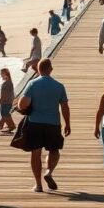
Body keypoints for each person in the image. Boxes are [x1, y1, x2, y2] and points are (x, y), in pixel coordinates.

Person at [17, 59, 71, 193]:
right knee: (54, 150)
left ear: (39, 70)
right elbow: (64, 106)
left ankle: (38, 185)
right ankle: (49, 172)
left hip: (35, 122)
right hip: (53, 123)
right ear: (50, 69)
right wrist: (68, 123)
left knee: (36, 153)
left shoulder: (32, 84)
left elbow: (22, 105)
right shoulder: (59, 86)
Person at [0, 68, 16, 133]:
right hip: (8, 100)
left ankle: (11, 126)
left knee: (5, 114)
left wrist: (1, 99)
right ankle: (9, 125)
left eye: (1, 74)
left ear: (5, 74)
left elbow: (5, 93)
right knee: (5, 114)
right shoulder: (8, 81)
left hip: (6, 101)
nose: (1, 75)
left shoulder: (7, 82)